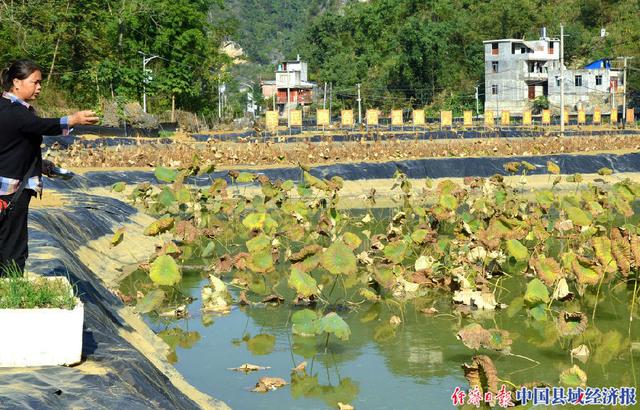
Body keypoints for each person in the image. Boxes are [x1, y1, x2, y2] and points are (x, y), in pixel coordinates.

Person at [0, 59, 99, 276]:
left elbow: (13, 146)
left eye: (40, 82)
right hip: (10, 192)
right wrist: (73, 119)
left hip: (8, 186)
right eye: (35, 82)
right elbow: (41, 125)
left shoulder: (7, 107)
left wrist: (40, 165)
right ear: (16, 82)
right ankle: (10, 292)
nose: (39, 87)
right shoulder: (14, 111)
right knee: (13, 246)